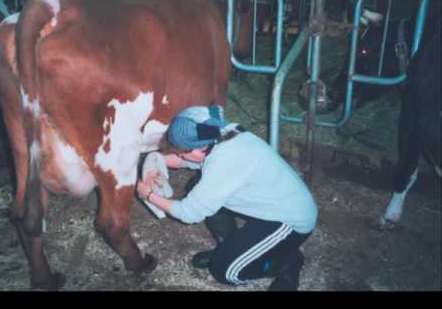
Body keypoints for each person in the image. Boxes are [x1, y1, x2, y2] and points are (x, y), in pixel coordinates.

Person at [136, 105, 317, 291]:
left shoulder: (225, 160)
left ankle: (285, 262)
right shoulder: (221, 133)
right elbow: (191, 160)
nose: (179, 155)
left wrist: (148, 195)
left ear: (200, 148)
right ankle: (231, 248)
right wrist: (156, 160)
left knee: (225, 271)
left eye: (181, 151)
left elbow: (189, 213)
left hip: (289, 221)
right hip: (268, 203)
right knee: (197, 187)